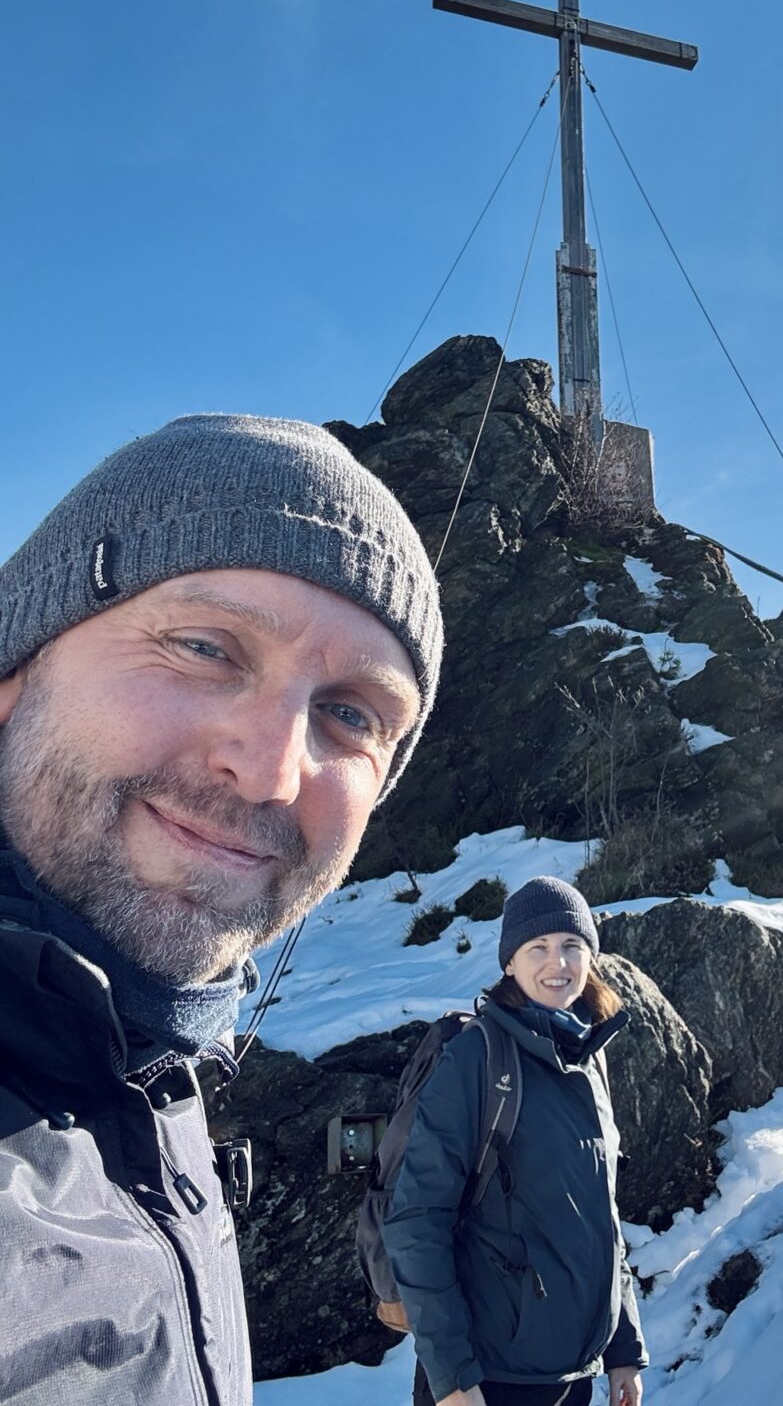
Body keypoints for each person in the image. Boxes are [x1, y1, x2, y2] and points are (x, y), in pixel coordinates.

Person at [0, 414, 442, 1406]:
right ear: (15, 669)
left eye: (352, 715)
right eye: (204, 647)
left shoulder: (163, 1076)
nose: (273, 770)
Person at [384, 876, 648, 1406]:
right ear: (510, 962)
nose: (558, 962)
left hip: (573, 1376)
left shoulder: (587, 1056)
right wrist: (452, 1378)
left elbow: (600, 1218)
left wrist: (623, 1348)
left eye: (572, 945)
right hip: (489, 1379)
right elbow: (417, 1221)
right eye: (538, 947)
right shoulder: (477, 1058)